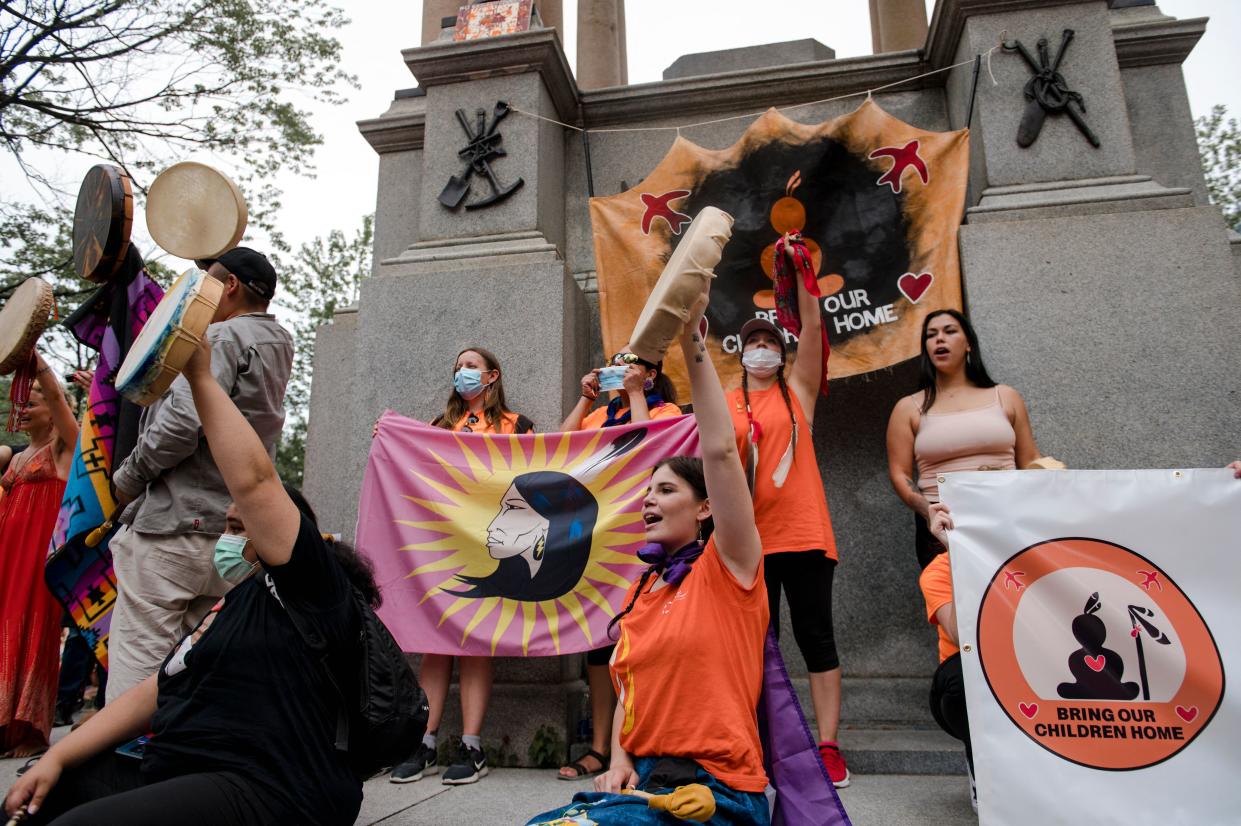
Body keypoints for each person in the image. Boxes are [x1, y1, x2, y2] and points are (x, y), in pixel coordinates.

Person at [3, 336, 372, 826]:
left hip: (276, 786)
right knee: (34, 801)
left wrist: (201, 377)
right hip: (194, 764)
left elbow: (256, 482)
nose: (226, 539)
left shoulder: (313, 591)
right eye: (227, 526)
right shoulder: (229, 608)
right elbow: (152, 693)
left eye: (240, 528)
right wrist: (57, 755)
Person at [529, 299, 769, 825]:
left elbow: (722, 452)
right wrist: (618, 762)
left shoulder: (732, 567)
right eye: (646, 492)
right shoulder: (644, 589)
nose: (648, 501)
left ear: (706, 506)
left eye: (665, 489)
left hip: (716, 790)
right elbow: (628, 689)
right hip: (645, 783)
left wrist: (690, 339)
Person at [105, 247, 294, 702]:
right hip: (231, 531)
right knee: (201, 675)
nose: (199, 292)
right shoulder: (280, 342)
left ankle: (123, 768)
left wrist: (127, 479)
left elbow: (180, 426)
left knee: (138, 671)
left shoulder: (223, 337)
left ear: (228, 286)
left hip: (173, 526)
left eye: (208, 280)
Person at [726, 238, 848, 787]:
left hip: (803, 536)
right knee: (757, 646)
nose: (761, 349)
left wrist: (801, 275)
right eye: (752, 343)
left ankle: (827, 747)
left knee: (816, 638)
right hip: (749, 544)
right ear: (740, 353)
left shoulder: (798, 392)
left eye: (769, 341)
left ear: (781, 351)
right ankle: (761, 740)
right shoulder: (727, 403)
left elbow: (815, 333)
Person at [388, 347, 532, 786]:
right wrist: (389, 433)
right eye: (457, 366)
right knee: (436, 642)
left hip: (489, 539)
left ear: (492, 376)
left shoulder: (516, 424)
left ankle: (471, 745)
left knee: (475, 643)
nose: (462, 372)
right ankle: (425, 742)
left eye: (471, 366)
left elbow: (531, 473)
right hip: (442, 543)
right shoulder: (438, 425)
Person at [557, 348, 682, 781]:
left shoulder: (665, 409)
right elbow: (560, 447)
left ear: (650, 374)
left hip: (644, 539)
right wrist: (586, 399)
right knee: (599, 642)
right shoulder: (598, 415)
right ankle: (599, 748)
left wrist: (635, 395)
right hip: (599, 543)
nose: (621, 369)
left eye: (631, 363)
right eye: (615, 362)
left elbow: (648, 445)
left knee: (645, 641)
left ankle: (642, 744)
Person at [886, 309, 1040, 570]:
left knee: (1013, 604)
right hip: (943, 527)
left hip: (1007, 518)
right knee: (956, 607)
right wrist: (927, 511)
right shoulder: (908, 407)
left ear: (968, 343)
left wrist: (1064, 484)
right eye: (931, 335)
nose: (939, 339)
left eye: (949, 331)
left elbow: (1031, 460)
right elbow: (900, 474)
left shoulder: (1005, 396)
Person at [0, 353, 79, 757]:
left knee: (32, 631)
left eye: (31, 403)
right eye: (21, 404)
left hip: (37, 563)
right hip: (5, 558)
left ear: (52, 410)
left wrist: (35, 361)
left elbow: (61, 401)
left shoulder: (64, 449)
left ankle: (24, 728)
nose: (22, 410)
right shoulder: (14, 458)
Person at [917, 502, 976, 812]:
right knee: (963, 677)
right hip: (964, 681)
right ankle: (981, 767)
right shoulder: (939, 570)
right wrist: (958, 555)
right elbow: (961, 636)